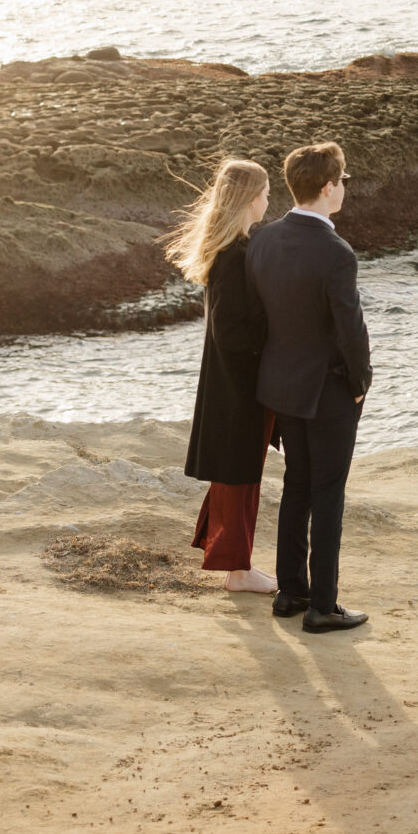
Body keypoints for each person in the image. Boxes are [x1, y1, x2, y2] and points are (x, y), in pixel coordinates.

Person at [247, 142, 372, 632]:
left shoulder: (263, 239)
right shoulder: (336, 252)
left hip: (281, 387)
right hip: (328, 391)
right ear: (327, 187)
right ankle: (323, 605)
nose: (343, 188)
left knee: (296, 487)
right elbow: (350, 330)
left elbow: (260, 320)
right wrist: (361, 382)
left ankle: (290, 591)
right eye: (341, 181)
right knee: (328, 494)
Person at [172, 157, 279, 591]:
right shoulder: (235, 254)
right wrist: (274, 330)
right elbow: (230, 329)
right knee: (239, 474)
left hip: (229, 382)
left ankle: (235, 561)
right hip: (237, 386)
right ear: (251, 199)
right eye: (267, 194)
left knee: (237, 473)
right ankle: (238, 570)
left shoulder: (230, 248)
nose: (270, 201)